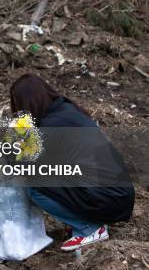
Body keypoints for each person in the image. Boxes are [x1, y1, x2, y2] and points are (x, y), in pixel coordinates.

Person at [9, 73, 135, 251]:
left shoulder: (53, 124)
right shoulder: (65, 111)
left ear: (28, 102)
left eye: (18, 104)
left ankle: (89, 229)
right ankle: (85, 219)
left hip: (109, 198)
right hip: (115, 194)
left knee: (33, 185)